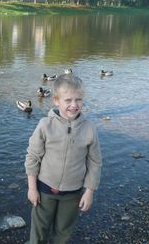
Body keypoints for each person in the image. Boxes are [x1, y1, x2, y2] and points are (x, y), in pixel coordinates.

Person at [25, 74, 102, 244]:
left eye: (79, 100)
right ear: (56, 100)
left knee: (64, 233)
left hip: (72, 193)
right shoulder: (45, 125)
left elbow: (95, 162)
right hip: (44, 190)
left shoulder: (89, 129)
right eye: (68, 100)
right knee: (39, 232)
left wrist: (89, 191)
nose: (74, 105)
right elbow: (33, 157)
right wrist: (32, 188)